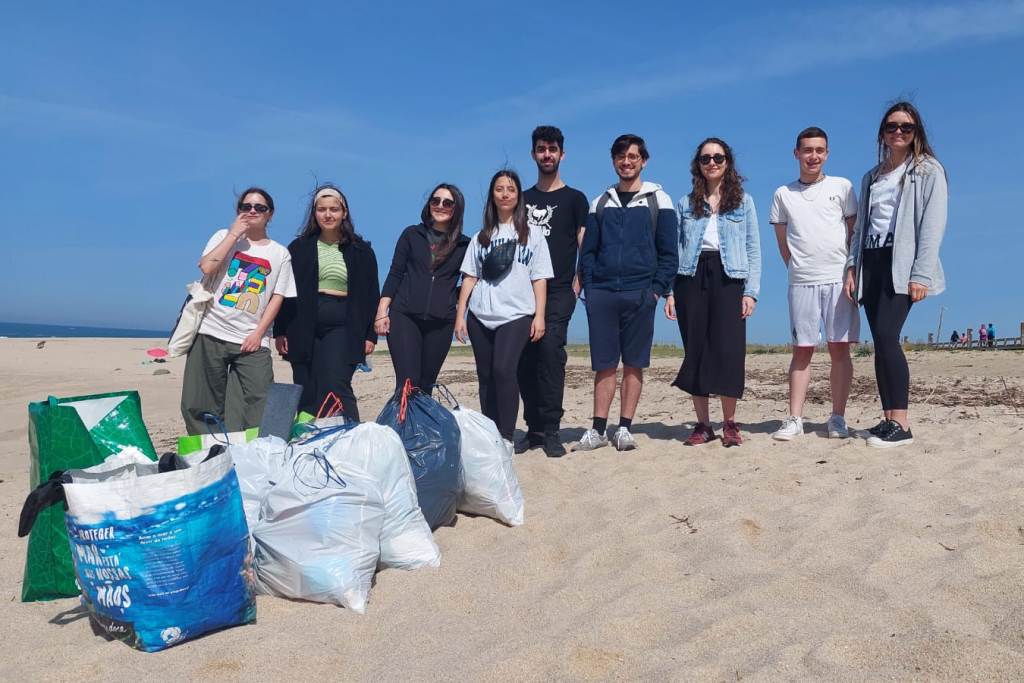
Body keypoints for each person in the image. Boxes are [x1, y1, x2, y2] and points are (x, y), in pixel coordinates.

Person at [845, 101, 948, 448]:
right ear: (882, 133)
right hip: (871, 261)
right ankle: (888, 417)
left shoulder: (928, 170)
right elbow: (860, 228)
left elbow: (932, 226)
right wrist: (851, 267)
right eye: (892, 127)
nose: (899, 132)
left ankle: (902, 423)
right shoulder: (871, 177)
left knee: (889, 336)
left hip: (902, 263)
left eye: (906, 127)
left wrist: (920, 274)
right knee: (879, 342)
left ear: (916, 131)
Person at [577, 133, 678, 452]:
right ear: (613, 161)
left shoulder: (658, 200)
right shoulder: (600, 202)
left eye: (633, 156)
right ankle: (597, 429)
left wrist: (656, 291)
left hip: (640, 292)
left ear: (643, 161)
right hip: (603, 293)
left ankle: (624, 428)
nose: (627, 162)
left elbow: (668, 252)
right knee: (604, 364)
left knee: (634, 363)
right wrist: (591, 290)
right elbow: (588, 253)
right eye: (621, 157)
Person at [666, 138, 761, 447]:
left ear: (727, 162)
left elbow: (753, 248)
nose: (712, 163)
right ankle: (703, 425)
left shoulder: (743, 202)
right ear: (698, 164)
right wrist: (670, 293)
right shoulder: (685, 203)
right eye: (706, 158)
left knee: (730, 349)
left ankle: (730, 423)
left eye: (718, 157)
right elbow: (676, 249)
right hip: (690, 277)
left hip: (730, 277)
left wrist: (751, 292)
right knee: (697, 348)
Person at [181, 187, 296, 434]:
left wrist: (259, 333)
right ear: (238, 211)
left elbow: (278, 296)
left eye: (260, 208)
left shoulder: (280, 253)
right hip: (211, 331)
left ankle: (254, 453)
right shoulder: (224, 236)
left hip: (252, 339)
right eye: (246, 207)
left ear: (270, 214)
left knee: (259, 400)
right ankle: (211, 453)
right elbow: (207, 268)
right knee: (200, 402)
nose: (252, 211)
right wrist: (234, 234)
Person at [769, 127, 859, 441]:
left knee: (839, 350)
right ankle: (795, 418)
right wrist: (799, 269)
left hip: (838, 279)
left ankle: (837, 418)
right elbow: (783, 245)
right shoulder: (783, 194)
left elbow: (853, 235)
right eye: (807, 150)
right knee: (802, 350)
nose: (813, 156)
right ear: (797, 153)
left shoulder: (843, 187)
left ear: (827, 153)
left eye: (819, 150)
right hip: (801, 281)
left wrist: (850, 272)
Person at [455, 169, 553, 447]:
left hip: (517, 314)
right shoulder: (481, 237)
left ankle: (506, 437)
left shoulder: (532, 234)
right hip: (480, 316)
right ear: (492, 196)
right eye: (499, 189)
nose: (505, 194)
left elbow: (540, 278)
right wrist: (460, 315)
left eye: (511, 189)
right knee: (485, 376)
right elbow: (470, 277)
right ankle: (490, 435)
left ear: (519, 195)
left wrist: (540, 316)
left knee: (503, 370)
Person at [273, 185, 379, 421]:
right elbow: (284, 291)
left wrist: (370, 335)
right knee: (306, 388)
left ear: (344, 213)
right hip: (301, 325)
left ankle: (352, 436)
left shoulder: (361, 250)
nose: (328, 215)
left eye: (334, 209)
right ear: (314, 213)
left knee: (334, 383)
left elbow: (372, 294)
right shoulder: (298, 248)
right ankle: (309, 443)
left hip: (343, 325)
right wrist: (280, 331)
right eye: (322, 210)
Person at [516, 126, 589, 458]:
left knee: (550, 352)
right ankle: (532, 429)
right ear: (533, 154)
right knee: (524, 357)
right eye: (541, 149)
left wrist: (579, 282)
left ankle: (551, 430)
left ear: (562, 154)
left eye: (553, 149)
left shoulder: (574, 199)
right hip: (521, 290)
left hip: (560, 288)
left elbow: (583, 245)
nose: (547, 154)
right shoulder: (522, 198)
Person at [375, 184, 469, 392]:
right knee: (408, 382)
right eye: (435, 201)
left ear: (457, 208)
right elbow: (395, 273)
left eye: (447, 202)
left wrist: (452, 301)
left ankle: (420, 425)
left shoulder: (465, 245)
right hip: (404, 317)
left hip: (441, 323)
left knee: (426, 385)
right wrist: (382, 312)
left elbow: (472, 283)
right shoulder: (411, 234)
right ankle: (403, 424)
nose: (440, 206)